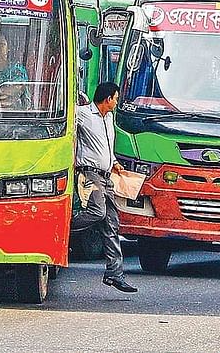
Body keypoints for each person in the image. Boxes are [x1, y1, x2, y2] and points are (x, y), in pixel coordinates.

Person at [72, 82, 137, 293]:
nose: (117, 102)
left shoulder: (108, 118)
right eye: (116, 98)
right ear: (108, 98)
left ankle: (115, 274)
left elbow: (106, 146)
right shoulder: (82, 114)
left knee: (112, 225)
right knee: (97, 212)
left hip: (107, 176)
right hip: (89, 174)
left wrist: (114, 161)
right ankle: (65, 228)